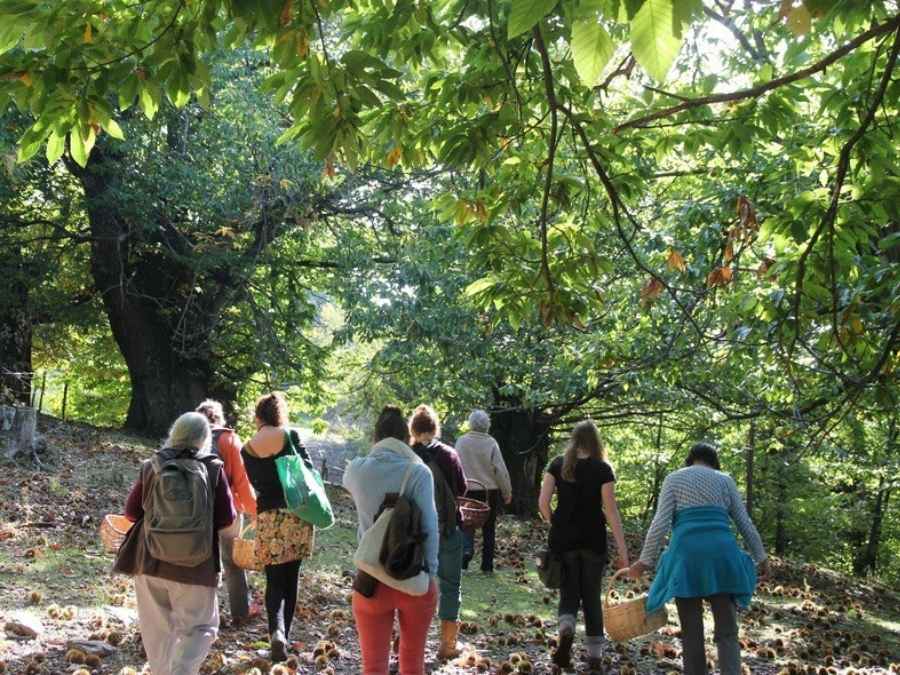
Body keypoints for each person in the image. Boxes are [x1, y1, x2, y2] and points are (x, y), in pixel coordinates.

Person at [627, 442, 768, 675]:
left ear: (690, 459)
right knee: (727, 632)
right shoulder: (725, 480)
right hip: (721, 558)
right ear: (714, 461)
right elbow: (744, 522)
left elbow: (660, 523)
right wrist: (761, 556)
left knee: (692, 634)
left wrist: (645, 561)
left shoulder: (674, 479)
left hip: (687, 559)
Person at [116, 412, 235, 675]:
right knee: (202, 628)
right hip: (197, 563)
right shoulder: (214, 468)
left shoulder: (153, 464)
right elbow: (227, 519)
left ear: (174, 432)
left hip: (149, 561)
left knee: (156, 631)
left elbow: (132, 512)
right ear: (204, 438)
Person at [344, 406, 439, 675]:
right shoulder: (419, 473)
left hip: (370, 579)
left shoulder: (356, 470)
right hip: (413, 577)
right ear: (406, 438)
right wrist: (431, 575)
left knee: (373, 667)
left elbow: (347, 481)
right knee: (412, 663)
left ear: (376, 437)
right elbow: (431, 529)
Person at [538, 420, 629, 670]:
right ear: (595, 441)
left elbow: (543, 503)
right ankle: (595, 657)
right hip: (593, 540)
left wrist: (554, 524)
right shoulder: (603, 469)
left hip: (563, 540)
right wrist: (623, 550)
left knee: (568, 593)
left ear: (574, 439)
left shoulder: (557, 464)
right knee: (591, 596)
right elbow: (611, 512)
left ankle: (566, 628)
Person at [241, 392, 315, 662]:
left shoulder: (247, 448)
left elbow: (257, 485)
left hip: (268, 517)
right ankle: (286, 634)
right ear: (279, 415)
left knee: (273, 580)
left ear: (258, 417)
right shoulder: (291, 436)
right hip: (296, 514)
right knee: (290, 578)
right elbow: (308, 470)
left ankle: (277, 634)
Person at [408, 404, 467, 660]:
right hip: (448, 529)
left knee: (414, 585)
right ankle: (447, 644)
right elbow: (462, 489)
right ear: (435, 428)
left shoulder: (408, 455)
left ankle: (412, 645)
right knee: (451, 585)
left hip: (416, 531)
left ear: (413, 428)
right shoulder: (450, 455)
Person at [195, 399, 258, 627]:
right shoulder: (229, 439)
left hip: (198, 511)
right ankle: (240, 614)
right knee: (233, 563)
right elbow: (242, 480)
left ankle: (203, 616)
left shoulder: (192, 438)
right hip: (229, 510)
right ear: (220, 419)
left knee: (202, 561)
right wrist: (254, 510)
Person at [454, 409, 511, 574]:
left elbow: (455, 466)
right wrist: (507, 492)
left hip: (467, 490)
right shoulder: (492, 443)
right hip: (489, 492)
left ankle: (465, 558)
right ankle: (487, 566)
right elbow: (500, 470)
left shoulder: (461, 442)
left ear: (471, 424)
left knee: (466, 524)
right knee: (489, 528)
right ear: (487, 425)